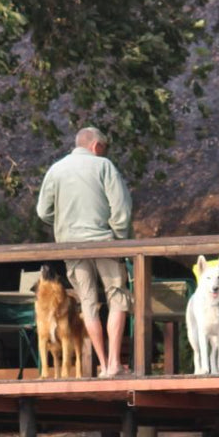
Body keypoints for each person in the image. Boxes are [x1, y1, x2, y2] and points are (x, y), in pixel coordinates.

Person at [36, 126, 133, 377]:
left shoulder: (56, 169)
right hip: (104, 241)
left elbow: (43, 212)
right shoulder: (105, 166)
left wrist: (64, 224)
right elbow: (121, 209)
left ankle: (101, 363)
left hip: (71, 244)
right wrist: (120, 238)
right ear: (96, 146)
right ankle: (113, 363)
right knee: (117, 297)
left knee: (88, 303)